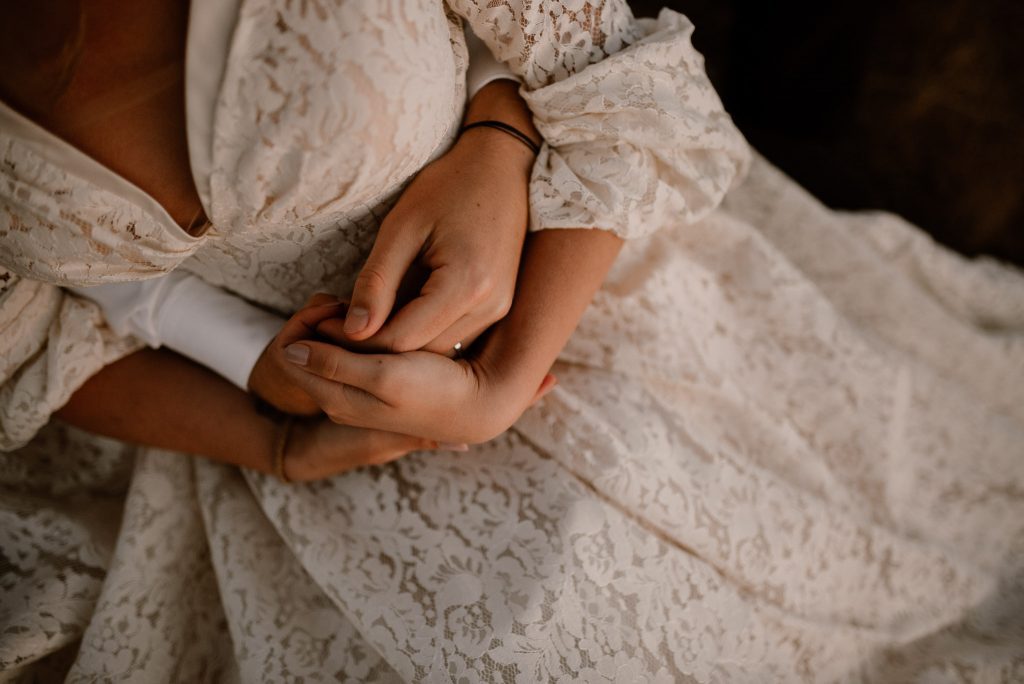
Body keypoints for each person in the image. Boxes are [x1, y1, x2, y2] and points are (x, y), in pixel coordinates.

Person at [2, 0, 1022, 681]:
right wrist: (269, 419)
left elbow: (621, 72)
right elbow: (26, 336)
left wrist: (500, 139)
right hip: (247, 430)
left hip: (591, 279)